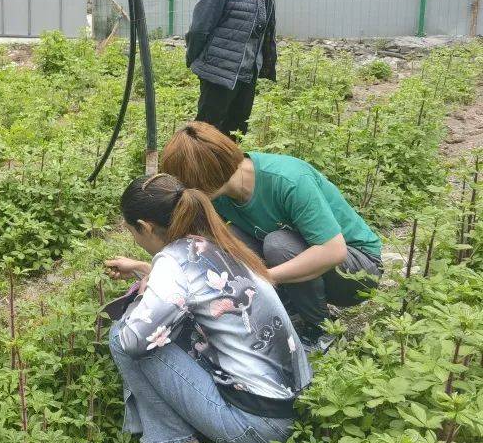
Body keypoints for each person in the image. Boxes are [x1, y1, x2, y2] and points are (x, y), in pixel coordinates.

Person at [105, 173, 311, 443]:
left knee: (122, 336)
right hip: (295, 409)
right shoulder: (215, 242)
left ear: (145, 227)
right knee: (172, 328)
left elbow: (134, 340)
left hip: (257, 428)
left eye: (133, 230)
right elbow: (197, 287)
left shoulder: (173, 263)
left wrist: (139, 299)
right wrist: (146, 269)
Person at [162, 122, 384, 353]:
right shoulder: (218, 196)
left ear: (206, 176)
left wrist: (264, 277)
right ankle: (290, 313)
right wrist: (152, 272)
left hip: (358, 270)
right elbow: (193, 243)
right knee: (225, 239)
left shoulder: (287, 180)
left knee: (278, 243)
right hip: (306, 260)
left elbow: (333, 251)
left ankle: (319, 328)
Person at [185, 0, 281, 138]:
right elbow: (200, 27)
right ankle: (197, 173)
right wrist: (197, 62)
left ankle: (226, 174)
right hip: (219, 73)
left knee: (235, 136)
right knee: (206, 136)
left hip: (247, 73)